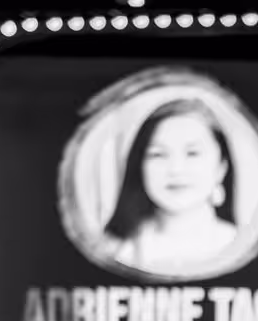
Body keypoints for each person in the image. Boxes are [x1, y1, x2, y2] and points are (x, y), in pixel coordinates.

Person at [102, 97, 240, 279]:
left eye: (192, 153)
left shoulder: (238, 245)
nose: (176, 169)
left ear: (221, 167)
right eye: (158, 154)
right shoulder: (114, 250)